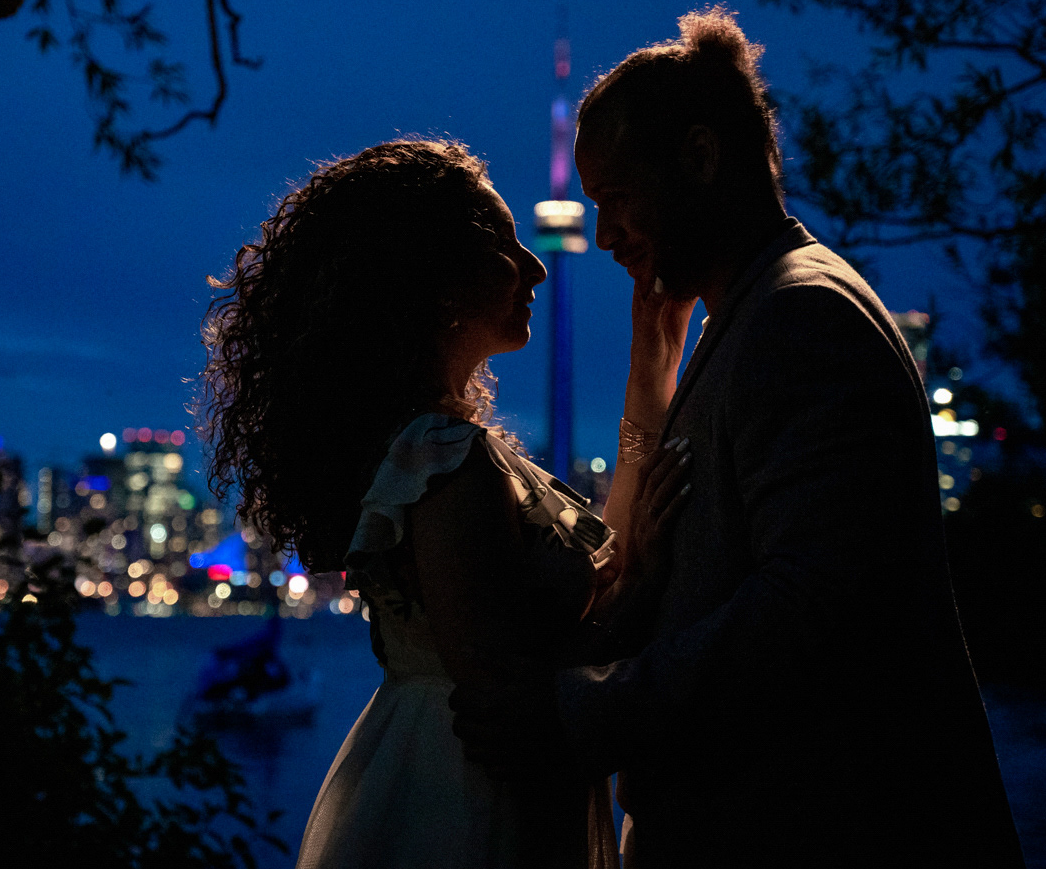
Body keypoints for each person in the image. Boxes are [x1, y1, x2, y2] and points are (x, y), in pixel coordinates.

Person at [451, 8, 1026, 867]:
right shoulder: (759, 314)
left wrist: (578, 712)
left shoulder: (801, 319)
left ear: (699, 157)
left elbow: (805, 611)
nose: (604, 236)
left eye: (616, 199)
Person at [197, 139, 689, 868]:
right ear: (432, 274)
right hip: (472, 804)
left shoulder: (431, 449)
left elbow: (581, 591)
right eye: (502, 243)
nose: (536, 267)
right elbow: (509, 693)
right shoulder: (446, 461)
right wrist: (652, 585)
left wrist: (650, 366)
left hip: (435, 774)